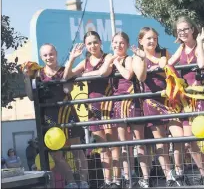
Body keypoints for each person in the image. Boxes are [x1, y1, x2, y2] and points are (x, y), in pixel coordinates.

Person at [23, 43, 89, 188]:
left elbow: (67, 89)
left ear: (56, 53)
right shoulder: (38, 74)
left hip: (66, 114)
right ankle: (71, 182)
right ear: (41, 57)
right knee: (56, 155)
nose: (49, 57)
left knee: (77, 150)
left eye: (51, 54)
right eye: (45, 55)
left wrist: (71, 60)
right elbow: (31, 97)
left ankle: (84, 182)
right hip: (48, 117)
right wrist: (27, 77)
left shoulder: (65, 70)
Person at [63, 31, 116, 189]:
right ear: (85, 45)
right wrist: (72, 58)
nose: (92, 46)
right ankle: (107, 181)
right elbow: (66, 76)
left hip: (109, 105)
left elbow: (103, 72)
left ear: (100, 42)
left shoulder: (108, 56)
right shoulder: (85, 61)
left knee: (113, 145)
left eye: (95, 42)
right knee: (102, 147)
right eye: (89, 43)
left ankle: (118, 179)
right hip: (93, 107)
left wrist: (85, 74)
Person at [167, 16, 204, 185]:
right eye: (179, 30)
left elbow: (202, 63)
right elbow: (168, 64)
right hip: (186, 100)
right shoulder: (180, 48)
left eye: (185, 29)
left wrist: (201, 41)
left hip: (201, 97)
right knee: (189, 141)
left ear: (192, 29)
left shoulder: (200, 44)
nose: (183, 32)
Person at [98, 31, 148, 188]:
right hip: (118, 104)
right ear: (111, 44)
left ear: (126, 45)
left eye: (121, 43)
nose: (118, 45)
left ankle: (146, 176)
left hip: (132, 101)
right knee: (123, 143)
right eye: (115, 42)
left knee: (139, 142)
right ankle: (127, 176)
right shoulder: (109, 59)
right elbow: (102, 72)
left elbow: (127, 75)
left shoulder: (129, 58)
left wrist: (117, 63)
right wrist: (110, 61)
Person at [133, 27, 180, 187]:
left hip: (170, 99)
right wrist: (143, 59)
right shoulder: (137, 57)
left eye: (154, 38)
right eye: (148, 39)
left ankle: (179, 171)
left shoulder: (165, 52)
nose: (152, 41)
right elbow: (141, 76)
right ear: (141, 41)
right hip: (151, 101)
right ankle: (169, 176)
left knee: (180, 136)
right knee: (160, 142)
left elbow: (169, 65)